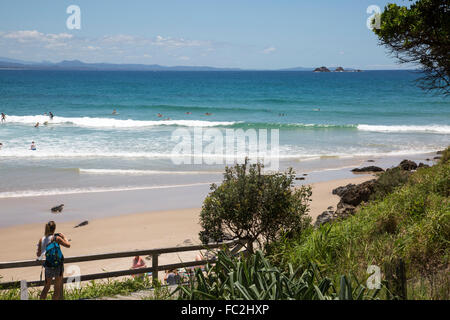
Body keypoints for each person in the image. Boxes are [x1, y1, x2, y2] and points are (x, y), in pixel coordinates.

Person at [36, 221, 71, 300]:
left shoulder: (42, 239)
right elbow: (68, 245)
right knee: (57, 288)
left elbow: (38, 254)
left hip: (48, 265)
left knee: (46, 288)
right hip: (58, 265)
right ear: (54, 229)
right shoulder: (56, 238)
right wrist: (64, 237)